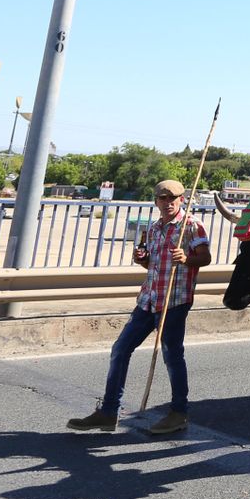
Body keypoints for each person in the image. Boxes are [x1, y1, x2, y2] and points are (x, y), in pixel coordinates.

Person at [67, 179, 211, 434]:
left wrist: (187, 258)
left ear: (182, 199)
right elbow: (152, 265)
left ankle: (179, 413)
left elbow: (206, 258)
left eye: (172, 198)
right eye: (162, 198)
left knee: (171, 356)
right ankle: (109, 412)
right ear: (156, 201)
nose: (167, 203)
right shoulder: (154, 229)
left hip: (173, 301)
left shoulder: (192, 226)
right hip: (148, 300)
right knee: (120, 350)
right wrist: (141, 260)